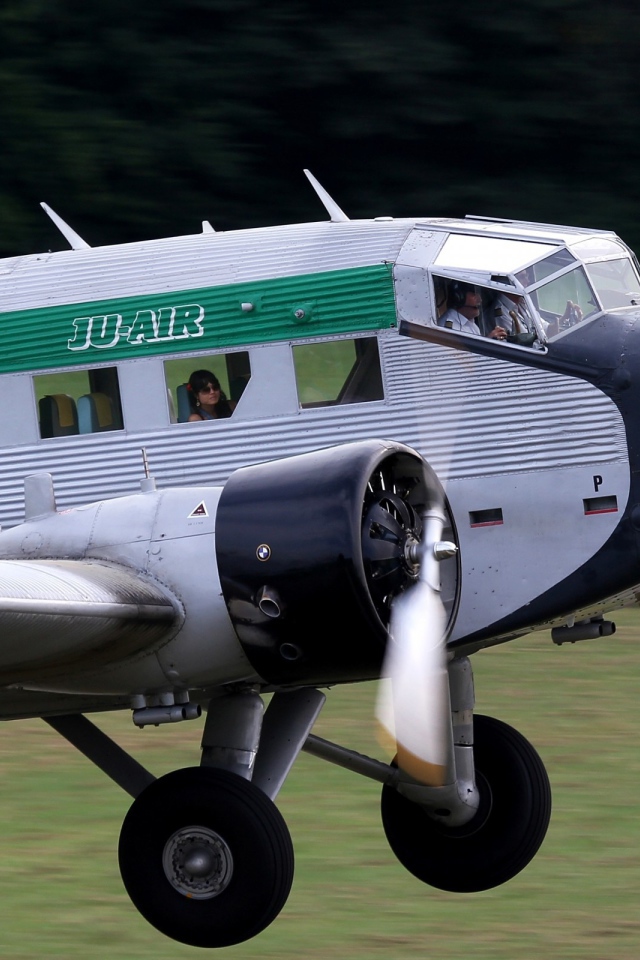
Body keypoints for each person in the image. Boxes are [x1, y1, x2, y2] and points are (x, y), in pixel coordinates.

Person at [438, 282, 507, 339]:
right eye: (474, 295)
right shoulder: (450, 328)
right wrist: (489, 341)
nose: (480, 300)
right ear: (459, 297)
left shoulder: (469, 321)